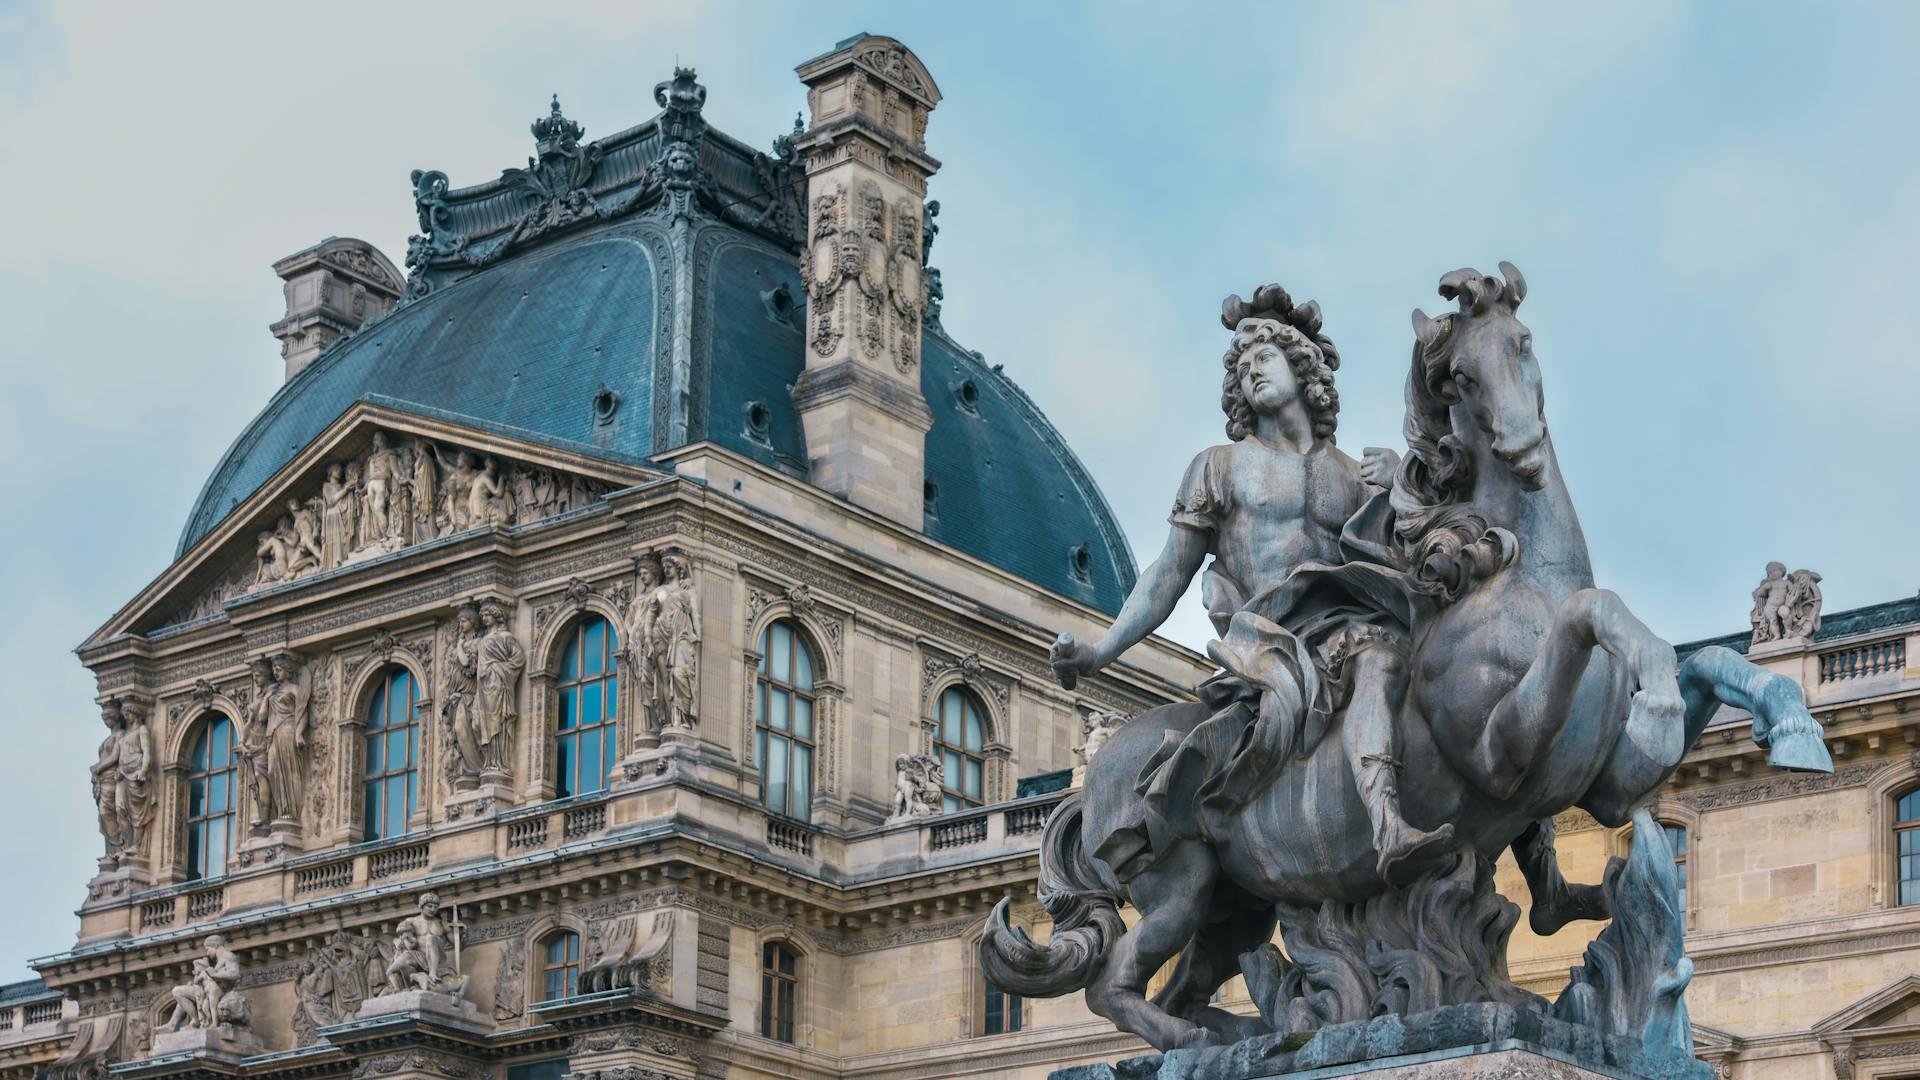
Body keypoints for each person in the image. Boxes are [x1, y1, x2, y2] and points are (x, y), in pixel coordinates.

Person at [1049, 287, 1450, 883]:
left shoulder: (1352, 475)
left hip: (1342, 624)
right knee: (1380, 660)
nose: (1250, 370)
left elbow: (1404, 564)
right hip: (1265, 640)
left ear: (1303, 368)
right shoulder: (1220, 466)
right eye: (1241, 365)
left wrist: (1404, 487)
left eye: (1264, 357)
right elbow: (1167, 575)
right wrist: (1101, 650)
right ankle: (1386, 821)